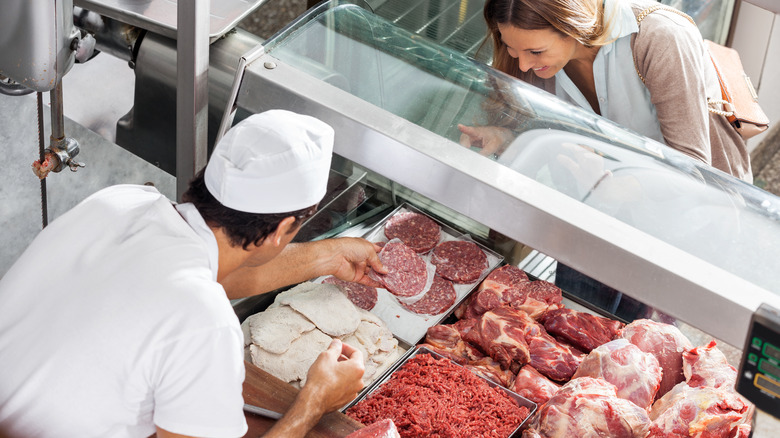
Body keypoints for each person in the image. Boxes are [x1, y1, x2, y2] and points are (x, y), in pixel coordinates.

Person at [0, 110, 386, 438]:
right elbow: (196, 303)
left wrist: (327, 257)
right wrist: (314, 402)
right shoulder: (207, 325)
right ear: (280, 229)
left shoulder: (123, 200)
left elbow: (205, 280)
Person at [460, 0, 752, 183]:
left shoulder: (658, 37)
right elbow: (550, 133)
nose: (522, 64)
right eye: (512, 48)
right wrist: (507, 138)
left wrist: (623, 192)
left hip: (683, 223)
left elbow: (692, 168)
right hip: (591, 210)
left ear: (573, 27)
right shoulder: (537, 64)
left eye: (536, 51)